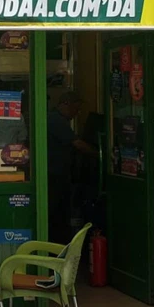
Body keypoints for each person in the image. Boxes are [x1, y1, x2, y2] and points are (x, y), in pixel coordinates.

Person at [48, 91, 96, 243]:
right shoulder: (56, 120)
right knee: (58, 215)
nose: (77, 113)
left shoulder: (58, 119)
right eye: (76, 108)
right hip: (54, 176)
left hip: (59, 175)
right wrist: (99, 154)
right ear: (66, 104)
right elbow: (77, 144)